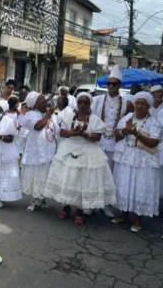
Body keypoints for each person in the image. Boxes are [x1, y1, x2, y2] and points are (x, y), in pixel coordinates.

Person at [44, 92, 116, 226]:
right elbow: (63, 133)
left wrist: (85, 134)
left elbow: (97, 137)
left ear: (89, 105)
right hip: (68, 149)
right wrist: (73, 133)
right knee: (68, 180)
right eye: (80, 102)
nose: (82, 105)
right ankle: (66, 207)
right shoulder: (68, 116)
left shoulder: (94, 119)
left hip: (88, 150)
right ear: (77, 104)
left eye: (85, 102)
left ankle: (79, 211)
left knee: (83, 182)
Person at [112, 92, 162, 232]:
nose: (139, 106)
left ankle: (138, 220)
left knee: (140, 186)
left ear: (148, 106)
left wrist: (136, 133)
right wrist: (124, 132)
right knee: (125, 184)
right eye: (137, 103)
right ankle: (124, 214)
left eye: (142, 104)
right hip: (127, 156)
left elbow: (153, 142)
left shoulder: (154, 122)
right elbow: (116, 136)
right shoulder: (127, 117)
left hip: (143, 160)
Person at [91, 65, 132, 218]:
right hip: (98, 141)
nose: (110, 86)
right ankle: (92, 203)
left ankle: (106, 205)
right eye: (108, 83)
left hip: (114, 143)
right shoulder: (97, 100)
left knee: (109, 175)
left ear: (119, 86)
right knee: (95, 172)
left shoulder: (127, 103)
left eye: (114, 84)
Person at [21, 92, 59, 212]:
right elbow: (37, 126)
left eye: (44, 98)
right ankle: (34, 200)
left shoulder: (52, 114)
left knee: (45, 174)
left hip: (48, 150)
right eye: (41, 99)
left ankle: (42, 200)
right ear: (35, 104)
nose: (45, 101)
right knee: (36, 175)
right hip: (36, 151)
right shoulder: (31, 114)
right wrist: (48, 115)